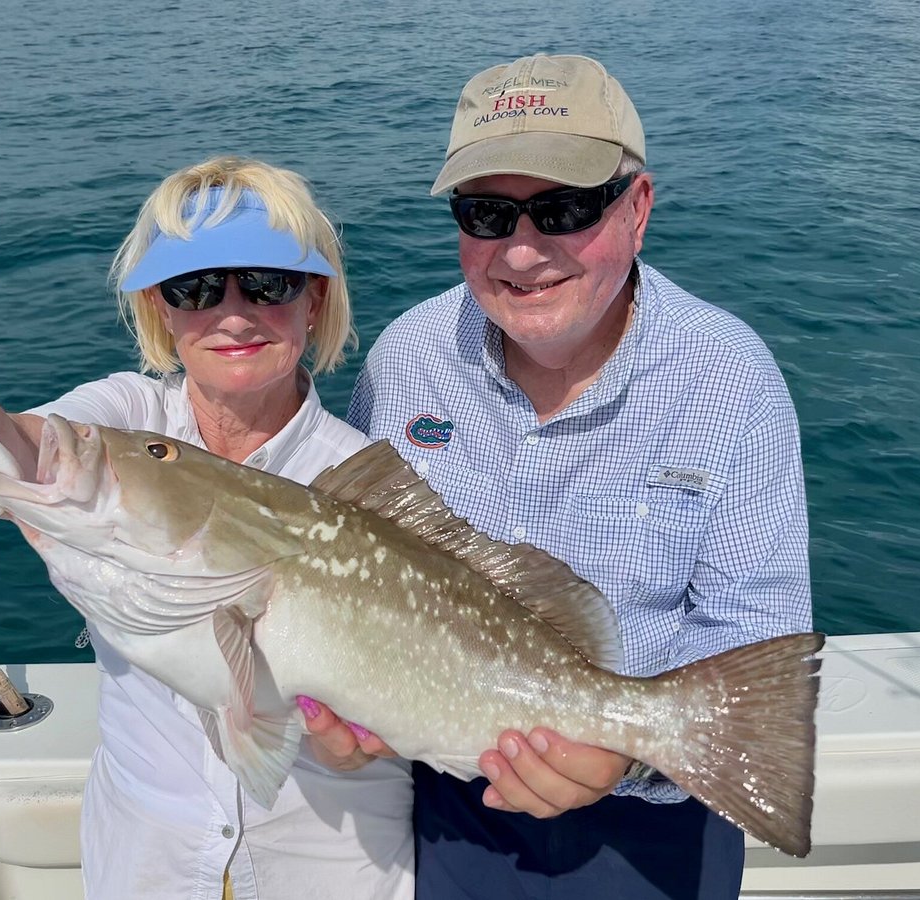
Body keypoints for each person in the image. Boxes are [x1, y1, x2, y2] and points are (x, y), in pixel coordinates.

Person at [0, 156, 412, 900]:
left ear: (315, 299)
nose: (232, 314)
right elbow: (12, 444)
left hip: (336, 864)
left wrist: (385, 742)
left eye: (268, 283)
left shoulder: (368, 481)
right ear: (162, 310)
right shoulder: (127, 422)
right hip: (145, 860)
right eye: (193, 288)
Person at [345, 54, 813, 899]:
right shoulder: (407, 357)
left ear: (638, 208)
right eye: (486, 213)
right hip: (449, 806)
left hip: (656, 826)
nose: (522, 252)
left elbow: (754, 633)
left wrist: (622, 753)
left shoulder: (730, 377)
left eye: (562, 208)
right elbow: (354, 560)